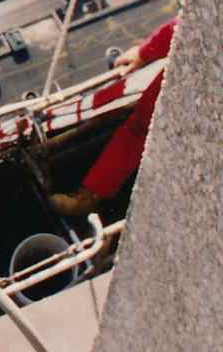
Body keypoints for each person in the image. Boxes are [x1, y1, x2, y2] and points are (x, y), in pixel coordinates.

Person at [51, 17, 177, 218]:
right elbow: (188, 24)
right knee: (138, 131)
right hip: (181, 82)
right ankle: (91, 195)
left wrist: (145, 52)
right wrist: (145, 52)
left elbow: (189, 23)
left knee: (145, 135)